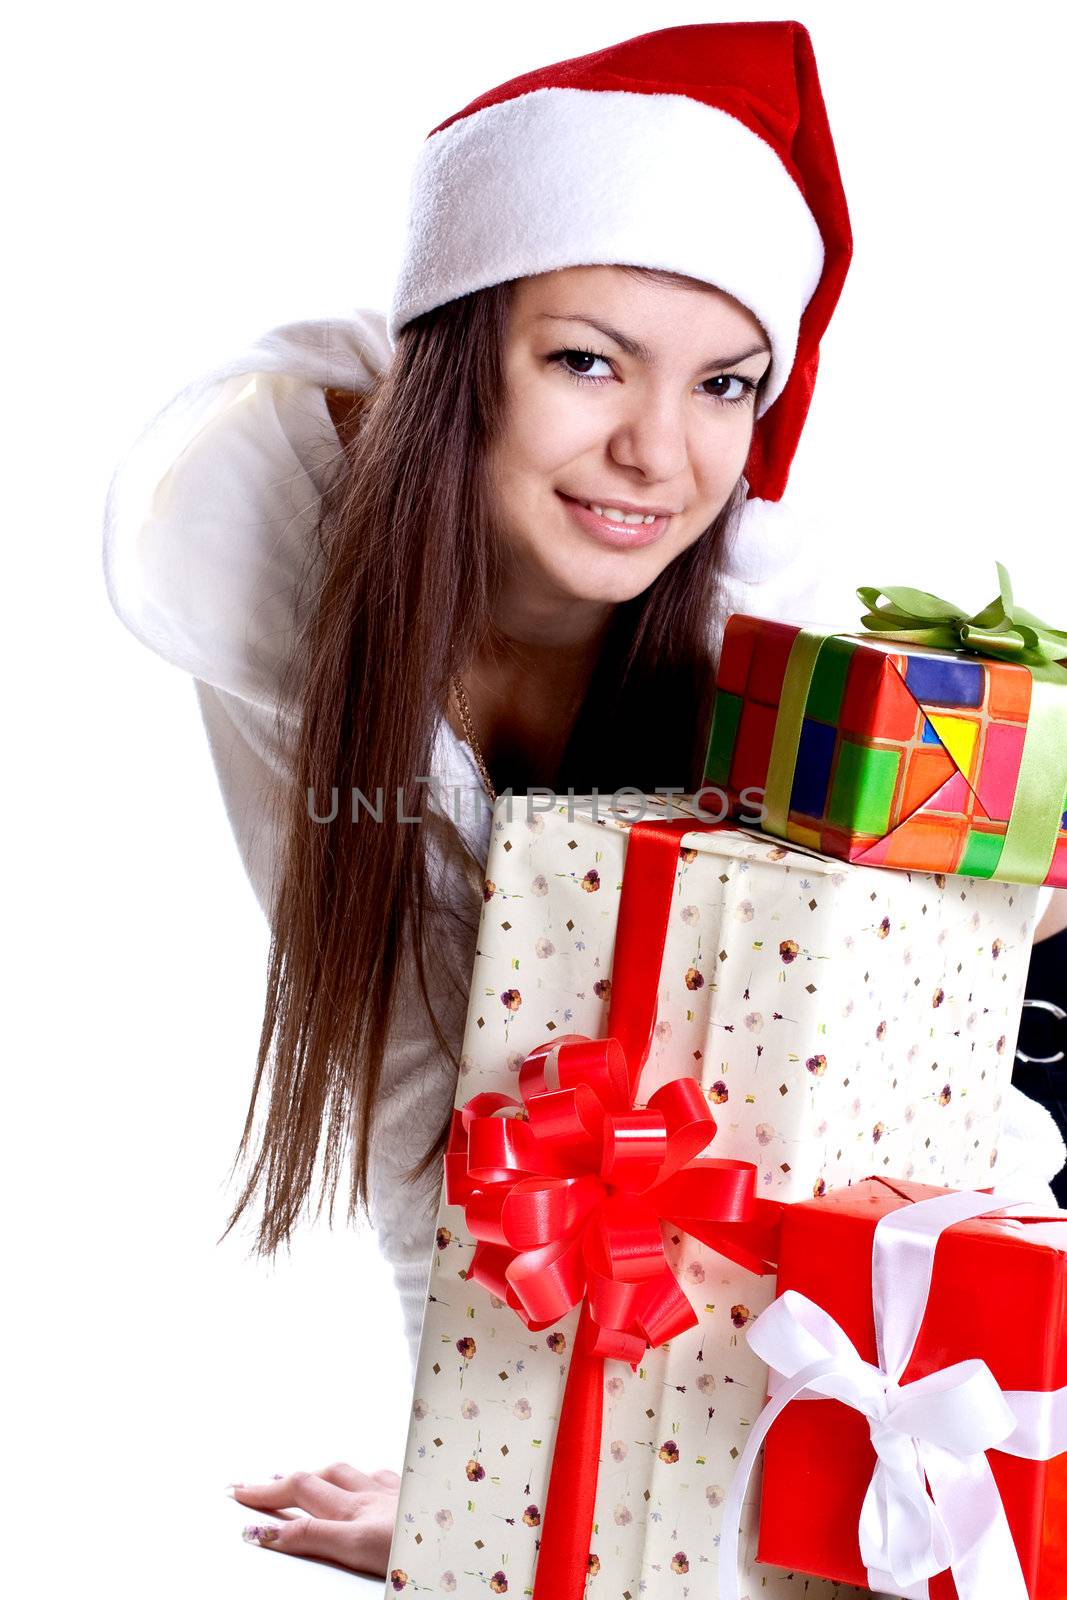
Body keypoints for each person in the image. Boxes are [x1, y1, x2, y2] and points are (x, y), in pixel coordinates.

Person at [101, 19, 1066, 1580]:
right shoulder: (286, 578)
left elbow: (879, 1137)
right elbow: (429, 1080)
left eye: (726, 383)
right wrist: (476, 1489)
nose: (657, 455)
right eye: (587, 359)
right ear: (461, 353)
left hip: (985, 1097)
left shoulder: (771, 640)